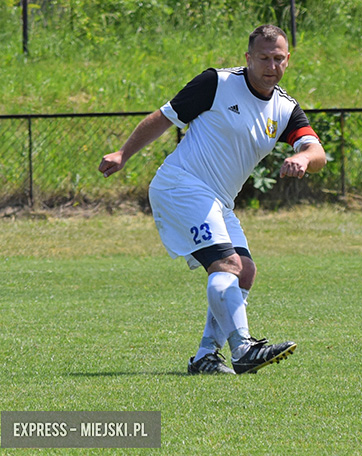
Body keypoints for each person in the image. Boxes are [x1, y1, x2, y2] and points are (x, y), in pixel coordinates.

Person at [99, 24, 327, 375]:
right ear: (248, 58)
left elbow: (317, 152)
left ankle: (206, 356)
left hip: (218, 200)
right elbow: (163, 117)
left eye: (278, 58)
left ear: (287, 60)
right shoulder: (217, 84)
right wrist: (123, 154)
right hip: (181, 186)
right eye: (264, 58)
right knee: (228, 266)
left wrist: (303, 158)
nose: (271, 65)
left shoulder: (284, 109)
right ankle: (243, 348)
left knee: (245, 271)